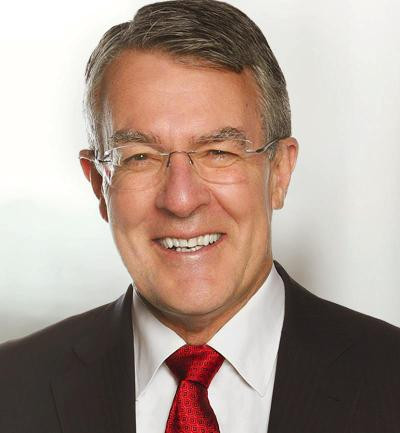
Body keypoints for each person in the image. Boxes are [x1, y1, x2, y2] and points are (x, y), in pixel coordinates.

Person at [1, 1, 399, 432]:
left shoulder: (388, 380)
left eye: (218, 153)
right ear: (99, 185)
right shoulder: (12, 388)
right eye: (139, 157)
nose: (181, 199)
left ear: (279, 173)